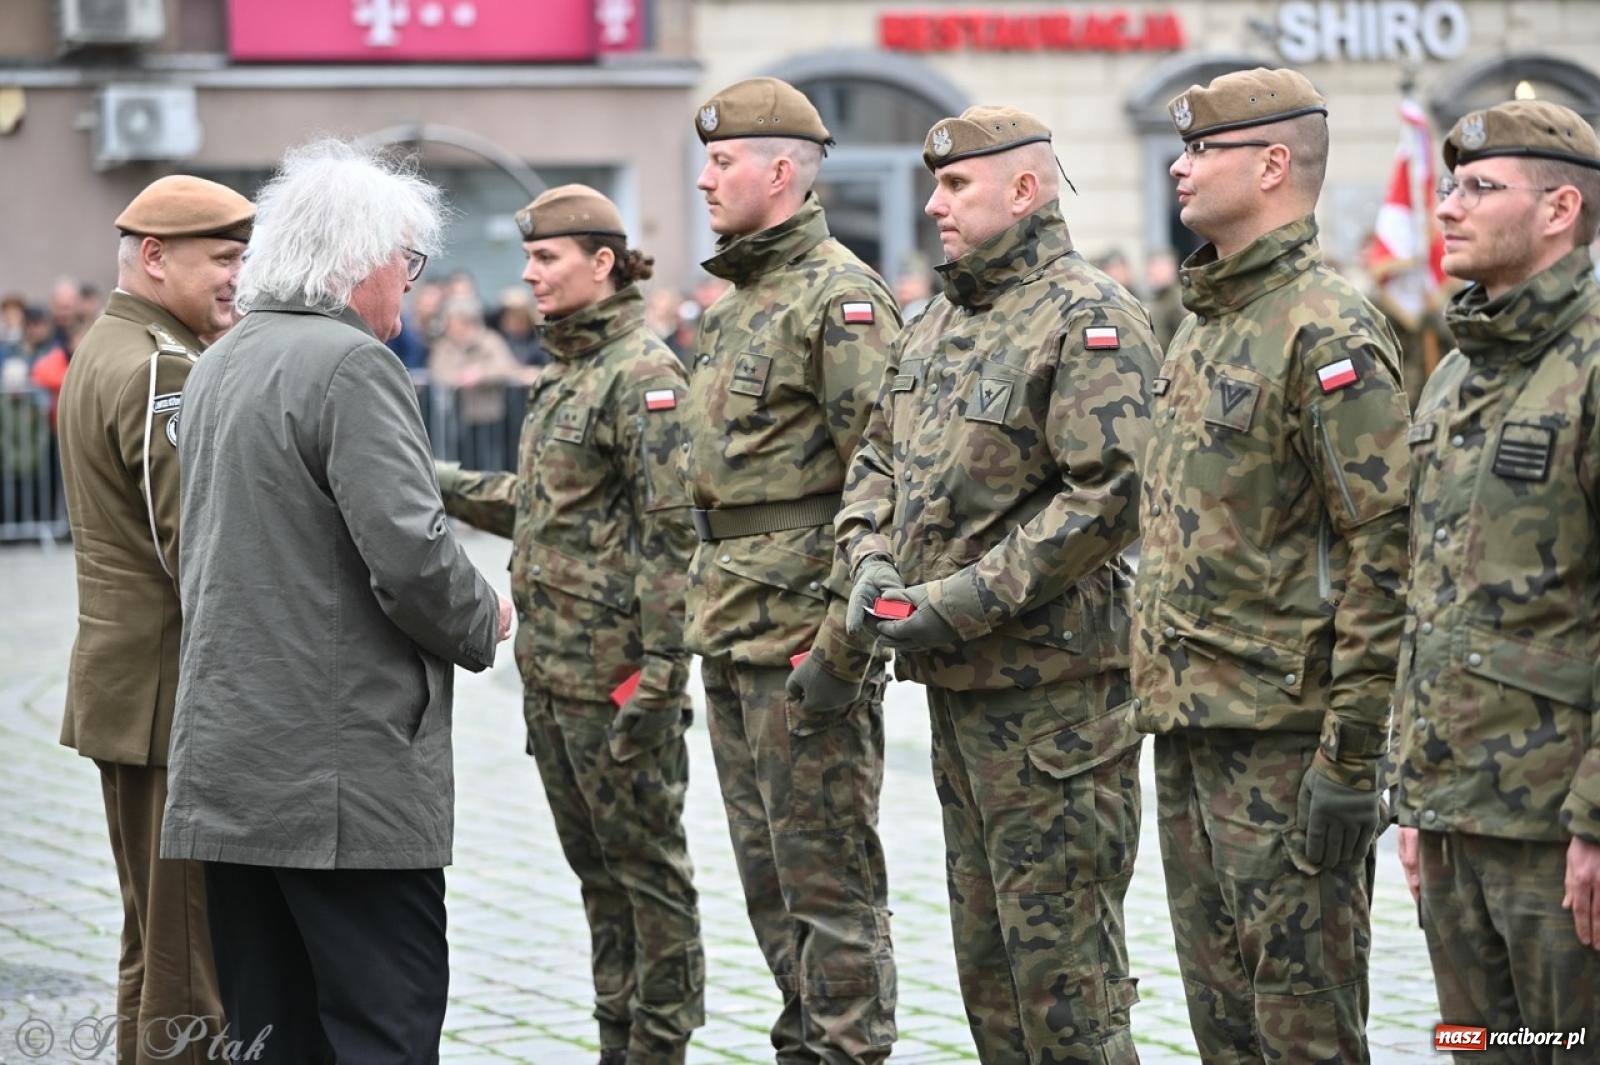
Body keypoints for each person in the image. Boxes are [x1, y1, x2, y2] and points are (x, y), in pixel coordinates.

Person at [160, 138, 513, 1065]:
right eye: (410, 264)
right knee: (381, 1025)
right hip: (338, 781)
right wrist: (487, 614)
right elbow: (410, 554)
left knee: (271, 1027)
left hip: (236, 764)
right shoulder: (351, 366)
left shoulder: (220, 362)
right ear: (363, 264)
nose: (412, 287)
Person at [838, 106, 1158, 1064]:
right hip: (961, 694)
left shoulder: (1089, 317)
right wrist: (873, 563)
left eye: (955, 186)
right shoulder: (937, 322)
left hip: (1056, 702)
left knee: (1067, 991)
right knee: (989, 974)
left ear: (1024, 190)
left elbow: (1108, 497)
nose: (932, 203)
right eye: (935, 185)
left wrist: (954, 602)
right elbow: (875, 462)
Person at [1131, 68, 1412, 1063]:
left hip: (1284, 746)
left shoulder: (1326, 328)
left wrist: (1351, 757)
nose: (1180, 165)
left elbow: (1385, 551)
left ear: (1272, 164)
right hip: (1194, 727)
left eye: (1202, 149)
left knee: (1303, 1033)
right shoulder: (1204, 320)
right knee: (1223, 1029)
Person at [437, 185, 704, 1065]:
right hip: (556, 680)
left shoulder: (643, 374)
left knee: (648, 881)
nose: (529, 275)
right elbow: (545, 508)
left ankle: (658, 1046)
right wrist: (429, 479)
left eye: (546, 259)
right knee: (600, 883)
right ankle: (615, 1041)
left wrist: (661, 679)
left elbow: (675, 536)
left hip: (619, 683)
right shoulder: (571, 369)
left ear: (600, 262)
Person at [682, 76, 901, 1063]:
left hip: (804, 636)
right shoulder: (736, 301)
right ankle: (801, 1045)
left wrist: (847, 644)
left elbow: (887, 474)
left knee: (829, 887)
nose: (703, 178)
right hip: (731, 626)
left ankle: (847, 1050)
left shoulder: (839, 299)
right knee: (768, 884)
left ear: (781, 171)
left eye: (722, 162)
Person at [1390, 99, 1600, 1058]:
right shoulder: (1452, 376)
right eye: (1447, 185)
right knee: (1475, 1047)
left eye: (1480, 188)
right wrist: (1411, 792)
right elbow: (1424, 594)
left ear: (1559, 211)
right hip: (1453, 813)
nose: (1447, 207)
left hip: (1557, 830)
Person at [54, 174, 253, 1063]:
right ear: (155, 258)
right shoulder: (164, 369)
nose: (235, 279)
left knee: (154, 943)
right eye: (222, 258)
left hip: (134, 691)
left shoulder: (109, 345)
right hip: (170, 699)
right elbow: (196, 548)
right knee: (188, 965)